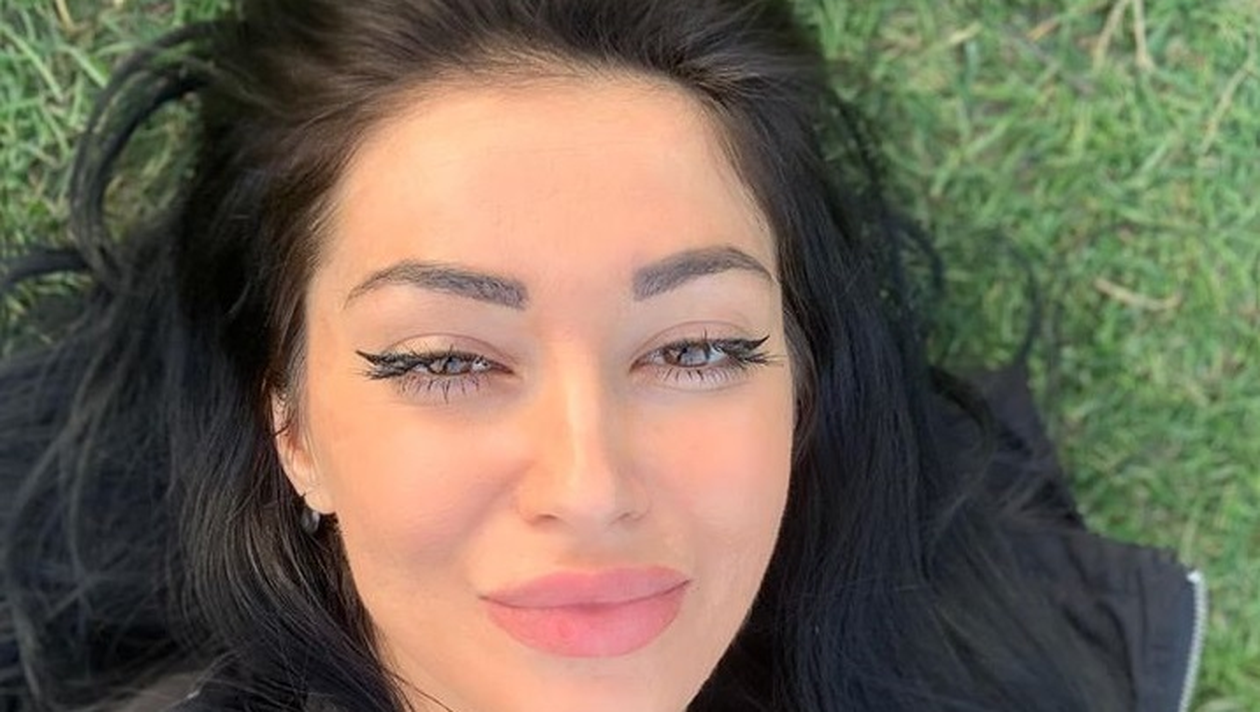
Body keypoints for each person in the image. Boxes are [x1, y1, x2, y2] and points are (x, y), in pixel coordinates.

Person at [0, 1, 1205, 711]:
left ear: (803, 377)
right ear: (292, 422)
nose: (590, 487)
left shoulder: (1041, 659)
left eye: (697, 346)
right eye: (446, 360)